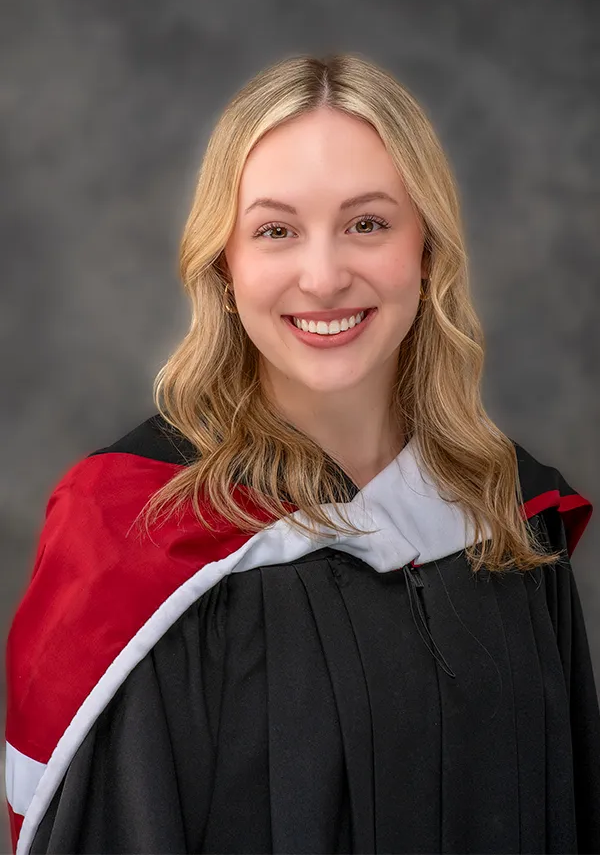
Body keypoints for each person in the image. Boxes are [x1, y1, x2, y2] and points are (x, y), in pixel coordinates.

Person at [5, 53, 600, 855]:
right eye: (275, 231)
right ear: (225, 263)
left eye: (367, 223)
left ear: (425, 251)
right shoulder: (141, 538)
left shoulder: (507, 520)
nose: (323, 277)